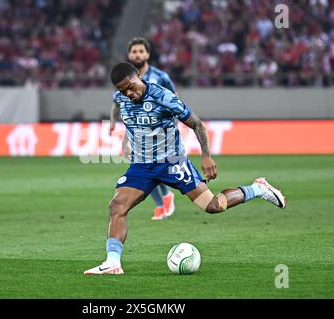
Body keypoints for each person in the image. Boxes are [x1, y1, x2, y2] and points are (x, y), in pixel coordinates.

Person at [84, 63, 286, 275]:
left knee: (213, 205)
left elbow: (197, 124)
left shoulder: (163, 97)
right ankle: (113, 263)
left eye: (131, 86)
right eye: (123, 90)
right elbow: (128, 118)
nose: (129, 93)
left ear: (138, 76)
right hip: (142, 165)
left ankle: (258, 188)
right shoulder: (122, 98)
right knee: (117, 206)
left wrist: (206, 156)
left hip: (173, 162)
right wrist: (126, 140)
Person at [109, 37, 177, 221]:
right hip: (136, 131)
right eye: (134, 51)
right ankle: (162, 203)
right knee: (142, 169)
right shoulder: (124, 77)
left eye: (141, 51)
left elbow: (174, 100)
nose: (137, 54)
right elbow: (117, 102)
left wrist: (174, 127)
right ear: (129, 54)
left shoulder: (161, 77)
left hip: (161, 132)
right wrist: (113, 121)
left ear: (147, 54)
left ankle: (166, 199)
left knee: (156, 168)